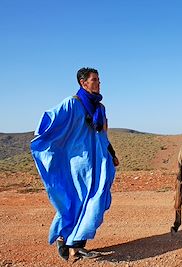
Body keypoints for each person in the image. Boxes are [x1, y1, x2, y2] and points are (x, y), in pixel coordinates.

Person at [31, 67, 119, 261]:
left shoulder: (100, 108)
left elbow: (103, 134)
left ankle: (75, 244)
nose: (98, 83)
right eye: (94, 80)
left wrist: (112, 153)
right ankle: (67, 240)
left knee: (98, 199)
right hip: (79, 163)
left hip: (100, 162)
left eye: (99, 80)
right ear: (83, 82)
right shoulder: (72, 103)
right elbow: (51, 118)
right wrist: (43, 136)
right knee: (78, 200)